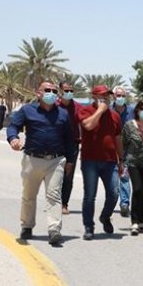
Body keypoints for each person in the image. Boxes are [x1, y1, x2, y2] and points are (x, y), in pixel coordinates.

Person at [5, 80, 75, 245]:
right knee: (29, 195)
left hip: (56, 161)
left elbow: (70, 140)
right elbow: (13, 126)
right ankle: (27, 226)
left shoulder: (63, 114)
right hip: (32, 159)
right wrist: (13, 139)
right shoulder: (27, 111)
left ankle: (54, 229)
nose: (51, 93)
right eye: (47, 90)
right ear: (38, 93)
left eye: (54, 91)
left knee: (54, 195)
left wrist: (70, 161)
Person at [77, 84, 123, 241]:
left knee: (114, 192)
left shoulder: (115, 116)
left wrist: (121, 159)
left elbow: (118, 138)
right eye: (102, 96)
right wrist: (100, 111)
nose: (106, 99)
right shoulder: (85, 111)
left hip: (110, 161)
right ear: (94, 97)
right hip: (90, 161)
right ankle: (89, 227)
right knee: (90, 195)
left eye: (108, 97)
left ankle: (105, 216)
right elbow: (88, 125)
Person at [120, 100, 143, 236]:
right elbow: (123, 143)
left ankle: (141, 221)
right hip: (133, 162)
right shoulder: (130, 126)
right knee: (138, 189)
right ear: (137, 111)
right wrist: (121, 161)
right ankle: (134, 221)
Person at [57, 81, 82, 215]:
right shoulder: (54, 106)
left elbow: (84, 125)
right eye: (66, 90)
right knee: (55, 175)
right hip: (56, 144)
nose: (69, 93)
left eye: (71, 91)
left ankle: (64, 203)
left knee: (68, 176)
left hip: (72, 145)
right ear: (60, 91)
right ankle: (54, 202)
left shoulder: (78, 107)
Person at [112, 86, 134, 218]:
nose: (120, 98)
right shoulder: (107, 110)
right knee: (113, 179)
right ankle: (112, 200)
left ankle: (124, 204)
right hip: (110, 150)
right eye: (118, 95)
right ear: (113, 96)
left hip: (127, 150)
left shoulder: (132, 111)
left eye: (122, 95)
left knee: (124, 176)